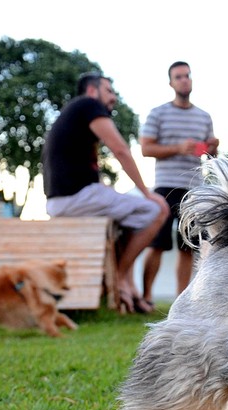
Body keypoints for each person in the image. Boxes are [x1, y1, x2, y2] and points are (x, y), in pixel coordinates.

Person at [43, 72, 169, 314]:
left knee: (130, 220)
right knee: (156, 210)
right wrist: (146, 192)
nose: (113, 98)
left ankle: (129, 289)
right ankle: (120, 278)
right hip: (77, 198)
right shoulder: (88, 105)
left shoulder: (73, 115)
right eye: (109, 91)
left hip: (62, 200)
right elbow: (121, 149)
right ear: (93, 91)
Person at [139, 61, 218, 302]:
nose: (184, 80)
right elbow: (145, 148)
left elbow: (210, 157)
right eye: (178, 76)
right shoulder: (158, 113)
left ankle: (181, 300)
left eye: (187, 75)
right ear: (171, 83)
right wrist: (177, 148)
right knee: (158, 243)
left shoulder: (204, 117)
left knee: (189, 248)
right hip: (165, 186)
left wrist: (213, 149)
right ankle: (146, 298)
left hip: (194, 189)